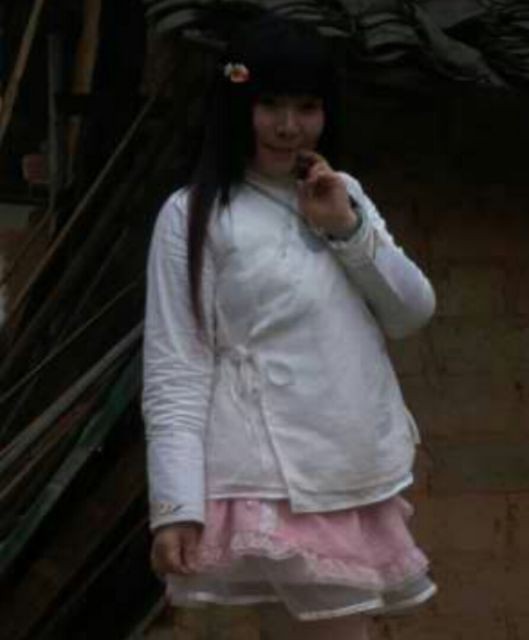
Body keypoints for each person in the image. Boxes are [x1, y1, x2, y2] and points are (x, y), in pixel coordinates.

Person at [142, 13, 437, 640]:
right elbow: (177, 367)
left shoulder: (340, 193)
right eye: (269, 105)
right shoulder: (192, 215)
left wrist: (346, 229)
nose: (287, 126)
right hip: (265, 474)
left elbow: (412, 312)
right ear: (237, 105)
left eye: (306, 107)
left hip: (350, 458)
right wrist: (175, 504)